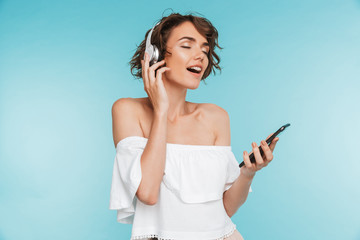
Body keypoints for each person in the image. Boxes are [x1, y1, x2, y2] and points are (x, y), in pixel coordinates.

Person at [109, 12, 279, 240]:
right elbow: (147, 193)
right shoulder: (128, 110)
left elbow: (224, 210)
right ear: (155, 55)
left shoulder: (216, 117)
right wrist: (161, 111)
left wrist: (247, 173)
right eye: (187, 46)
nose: (200, 55)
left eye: (205, 50)